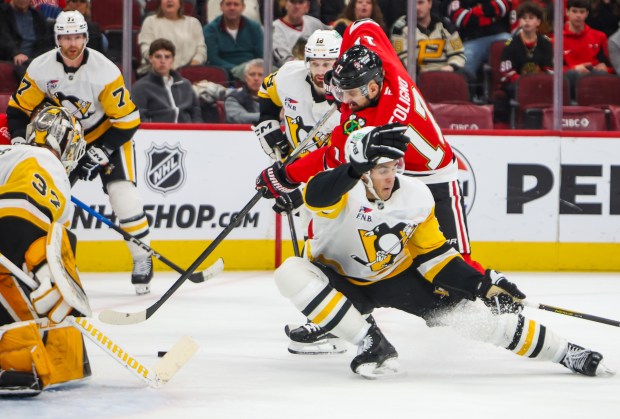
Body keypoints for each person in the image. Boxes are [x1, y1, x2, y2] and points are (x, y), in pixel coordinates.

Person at [271, 125, 613, 379]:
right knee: (289, 272)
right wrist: (353, 169)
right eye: (380, 169)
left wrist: (481, 285)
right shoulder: (344, 190)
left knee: (480, 319)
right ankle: (370, 342)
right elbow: (316, 196)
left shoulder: (417, 196)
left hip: (393, 278)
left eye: (394, 167)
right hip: (337, 280)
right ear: (362, 171)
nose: (390, 177)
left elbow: (436, 257)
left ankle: (567, 352)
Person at [255, 19, 492, 352]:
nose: (344, 101)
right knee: (337, 242)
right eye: (341, 92)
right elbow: (363, 25)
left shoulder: (378, 124)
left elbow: (332, 158)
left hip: (432, 179)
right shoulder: (382, 62)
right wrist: (347, 51)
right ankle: (337, 320)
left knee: (454, 264)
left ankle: (496, 303)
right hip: (385, 176)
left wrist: (286, 176)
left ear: (372, 88)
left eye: (351, 93)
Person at [6, 11, 155, 295]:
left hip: (107, 136)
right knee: (52, 205)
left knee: (123, 196)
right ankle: (48, 264)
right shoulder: (40, 68)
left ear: (86, 37)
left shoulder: (105, 71)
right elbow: (18, 110)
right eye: (65, 37)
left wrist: (101, 150)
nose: (71, 43)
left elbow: (128, 122)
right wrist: (18, 139)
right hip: (61, 144)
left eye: (76, 36)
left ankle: (141, 257)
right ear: (57, 39)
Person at [0, 105, 92, 396]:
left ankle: (26, 363)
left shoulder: (7, 153)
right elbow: (56, 239)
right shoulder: (53, 171)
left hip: (12, 218)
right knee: (40, 292)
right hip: (22, 225)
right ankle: (56, 357)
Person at [256, 29, 342, 163]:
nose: (320, 71)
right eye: (315, 64)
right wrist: (267, 120)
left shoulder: (352, 95)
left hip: (332, 172)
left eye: (326, 64)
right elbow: (266, 88)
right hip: (288, 169)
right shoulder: (289, 75)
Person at [132, 38, 203, 123]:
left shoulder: (185, 85)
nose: (163, 61)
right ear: (151, 59)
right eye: (158, 56)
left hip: (186, 134)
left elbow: (196, 114)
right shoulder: (141, 87)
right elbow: (139, 118)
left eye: (167, 57)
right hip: (156, 134)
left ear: (173, 60)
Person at [445, 0, 511, 88]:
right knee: (464, 58)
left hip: (499, 36)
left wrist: (472, 13)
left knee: (510, 43)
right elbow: (460, 18)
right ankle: (468, 94)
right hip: (472, 40)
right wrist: (489, 15)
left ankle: (503, 91)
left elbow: (502, 6)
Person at [389, 0, 466, 73]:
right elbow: (401, 57)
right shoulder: (400, 28)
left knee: (466, 76)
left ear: (429, 3)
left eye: (420, 3)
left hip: (446, 74)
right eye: (413, 3)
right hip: (415, 77)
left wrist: (451, 67)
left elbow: (458, 54)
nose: (417, 7)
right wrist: (419, 71)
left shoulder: (446, 26)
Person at [560, 0, 614, 101]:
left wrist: (605, 68)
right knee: (572, 74)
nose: (578, 15)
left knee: (601, 75)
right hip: (570, 80)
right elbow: (551, 69)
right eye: (574, 11)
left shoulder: (599, 36)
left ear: (587, 14)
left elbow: (611, 66)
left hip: (594, 78)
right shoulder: (557, 39)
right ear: (567, 12)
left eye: (581, 12)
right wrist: (574, 68)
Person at [137, 0, 207, 76]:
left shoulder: (194, 23)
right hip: (156, 74)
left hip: (188, 73)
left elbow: (201, 50)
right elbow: (146, 50)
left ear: (180, 3)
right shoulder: (150, 21)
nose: (169, 1)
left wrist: (192, 66)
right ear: (160, 3)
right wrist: (164, 65)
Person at [499, 2, 553, 99]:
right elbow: (507, 73)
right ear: (519, 21)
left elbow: (550, 69)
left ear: (538, 22)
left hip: (540, 83)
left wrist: (539, 81)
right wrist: (526, 83)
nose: (527, 21)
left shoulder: (546, 43)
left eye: (531, 18)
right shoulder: (510, 44)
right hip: (517, 85)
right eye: (524, 18)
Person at [203, 0, 264, 81]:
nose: (232, 8)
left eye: (236, 4)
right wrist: (238, 70)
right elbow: (213, 59)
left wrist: (251, 69)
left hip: (253, 72)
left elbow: (260, 55)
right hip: (224, 73)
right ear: (221, 7)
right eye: (228, 4)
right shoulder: (210, 29)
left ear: (243, 7)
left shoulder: (254, 27)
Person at [0, 0, 53, 81]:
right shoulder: (2, 12)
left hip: (34, 60)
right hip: (12, 59)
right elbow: (3, 38)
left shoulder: (38, 16)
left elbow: (45, 42)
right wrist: (15, 53)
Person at [272, 0, 330, 68]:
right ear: (286, 4)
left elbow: (333, 35)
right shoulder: (275, 28)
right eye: (293, 2)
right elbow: (284, 61)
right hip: (288, 73)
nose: (297, 6)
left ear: (307, 6)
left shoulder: (313, 23)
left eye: (301, 2)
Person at [224, 58, 263, 124]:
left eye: (260, 75)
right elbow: (240, 118)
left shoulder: (277, 98)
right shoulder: (233, 98)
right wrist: (272, 117)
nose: (256, 78)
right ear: (245, 78)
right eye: (252, 74)